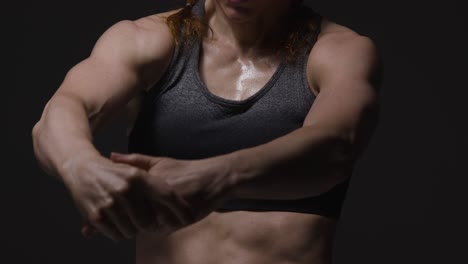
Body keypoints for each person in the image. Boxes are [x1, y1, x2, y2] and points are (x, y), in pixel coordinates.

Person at [32, 0, 381, 263]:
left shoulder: (339, 52)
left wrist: (217, 176)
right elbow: (62, 111)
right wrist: (80, 165)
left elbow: (337, 145)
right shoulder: (147, 40)